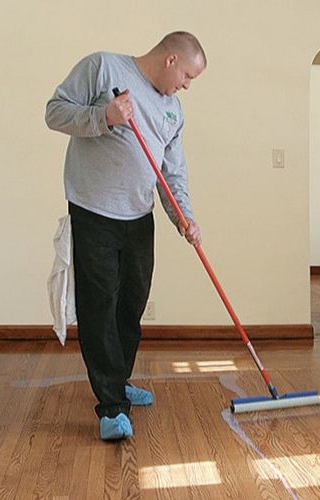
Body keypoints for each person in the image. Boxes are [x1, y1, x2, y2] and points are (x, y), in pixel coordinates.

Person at [45, 31, 206, 440]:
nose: (186, 86)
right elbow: (54, 112)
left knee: (130, 306)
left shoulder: (174, 111)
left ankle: (119, 381)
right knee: (99, 308)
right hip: (94, 211)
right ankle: (111, 406)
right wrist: (105, 117)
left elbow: (173, 172)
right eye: (187, 76)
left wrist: (183, 217)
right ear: (171, 60)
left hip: (139, 216)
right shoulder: (104, 67)